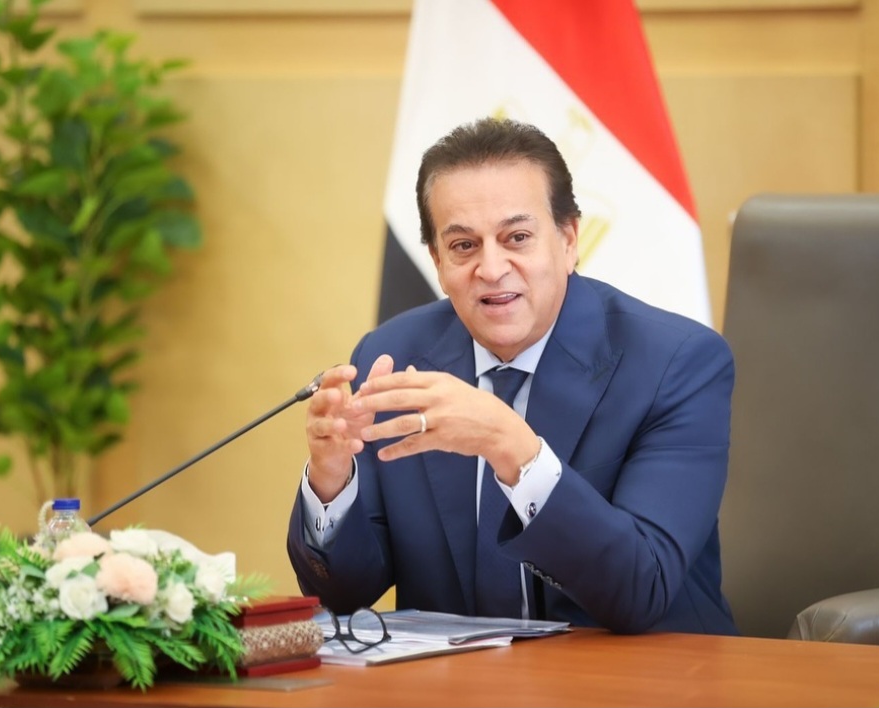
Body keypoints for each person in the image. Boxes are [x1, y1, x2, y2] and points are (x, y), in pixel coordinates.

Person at [287, 117, 736, 635]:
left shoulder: (677, 363)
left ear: (569, 240)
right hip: (458, 676)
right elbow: (343, 596)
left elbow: (641, 589)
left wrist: (512, 449)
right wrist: (331, 482)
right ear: (437, 261)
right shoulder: (393, 356)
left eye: (517, 238)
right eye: (463, 246)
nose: (492, 268)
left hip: (650, 670)